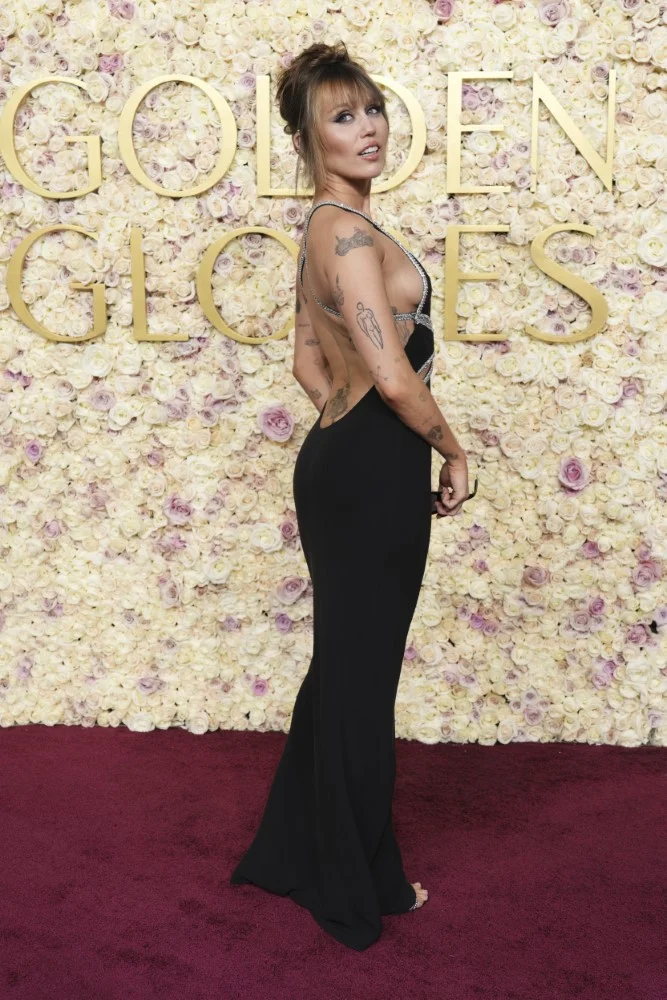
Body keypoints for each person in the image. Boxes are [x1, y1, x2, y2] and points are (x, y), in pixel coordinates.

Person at [230, 41, 471, 951]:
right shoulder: (349, 236)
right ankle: (357, 880)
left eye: (371, 110)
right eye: (341, 116)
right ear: (307, 139)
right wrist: (451, 451)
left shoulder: (323, 232)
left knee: (341, 670)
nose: (367, 128)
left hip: (341, 460)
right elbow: (395, 377)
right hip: (373, 471)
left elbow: (307, 360)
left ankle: (294, 851)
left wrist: (344, 429)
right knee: (362, 683)